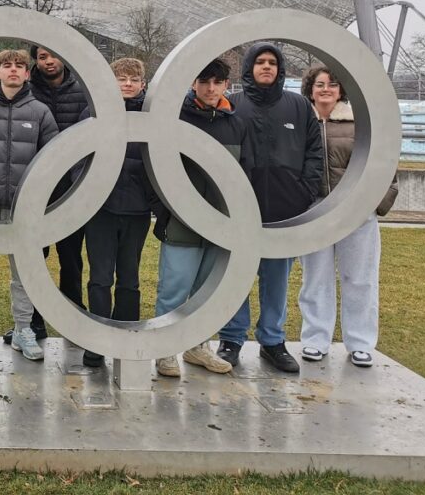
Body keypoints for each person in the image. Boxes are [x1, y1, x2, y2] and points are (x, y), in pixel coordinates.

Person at [217, 43, 322, 373]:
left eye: (272, 62)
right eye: (260, 62)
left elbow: (314, 152)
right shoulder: (232, 104)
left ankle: (273, 342)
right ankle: (231, 339)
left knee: (276, 279)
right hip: (239, 208)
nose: (266, 67)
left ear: (280, 69)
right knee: (235, 275)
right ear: (249, 67)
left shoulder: (299, 105)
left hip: (284, 209)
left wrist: (303, 192)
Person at [152, 58, 251, 378]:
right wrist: (166, 210)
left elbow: (243, 174)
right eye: (204, 81)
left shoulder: (236, 123)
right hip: (182, 221)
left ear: (226, 85)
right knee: (174, 289)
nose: (210, 88)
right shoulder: (176, 118)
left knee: (206, 291)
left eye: (217, 82)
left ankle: (196, 346)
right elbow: (157, 166)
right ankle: (165, 350)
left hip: (220, 223)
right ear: (193, 83)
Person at [0, 48, 59, 361]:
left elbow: (52, 156)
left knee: (25, 275)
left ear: (28, 74)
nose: (13, 70)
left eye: (19, 65)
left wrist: (36, 192)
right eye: (7, 65)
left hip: (25, 209)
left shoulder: (41, 112)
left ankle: (23, 329)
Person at [297, 66, 398, 367]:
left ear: (341, 90)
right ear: (310, 90)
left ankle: (360, 343)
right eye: (319, 84)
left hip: (356, 211)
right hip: (315, 210)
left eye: (332, 84)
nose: (325, 89)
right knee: (316, 278)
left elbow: (384, 162)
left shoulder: (360, 122)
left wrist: (376, 204)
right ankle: (316, 340)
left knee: (360, 278)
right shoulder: (302, 123)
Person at [78, 57, 152, 368]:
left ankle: (125, 338)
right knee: (99, 277)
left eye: (134, 79)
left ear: (143, 84)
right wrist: (86, 195)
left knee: (130, 278)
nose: (128, 84)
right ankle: (98, 341)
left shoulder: (152, 117)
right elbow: (77, 158)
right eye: (122, 78)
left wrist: (151, 198)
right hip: (102, 209)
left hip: (137, 210)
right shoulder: (93, 113)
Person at [24, 44, 89, 343]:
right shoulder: (27, 91)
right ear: (35, 61)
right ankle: (33, 322)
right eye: (42, 57)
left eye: (53, 55)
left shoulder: (84, 92)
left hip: (71, 186)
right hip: (36, 189)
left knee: (71, 258)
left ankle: (73, 322)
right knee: (34, 259)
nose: (49, 61)